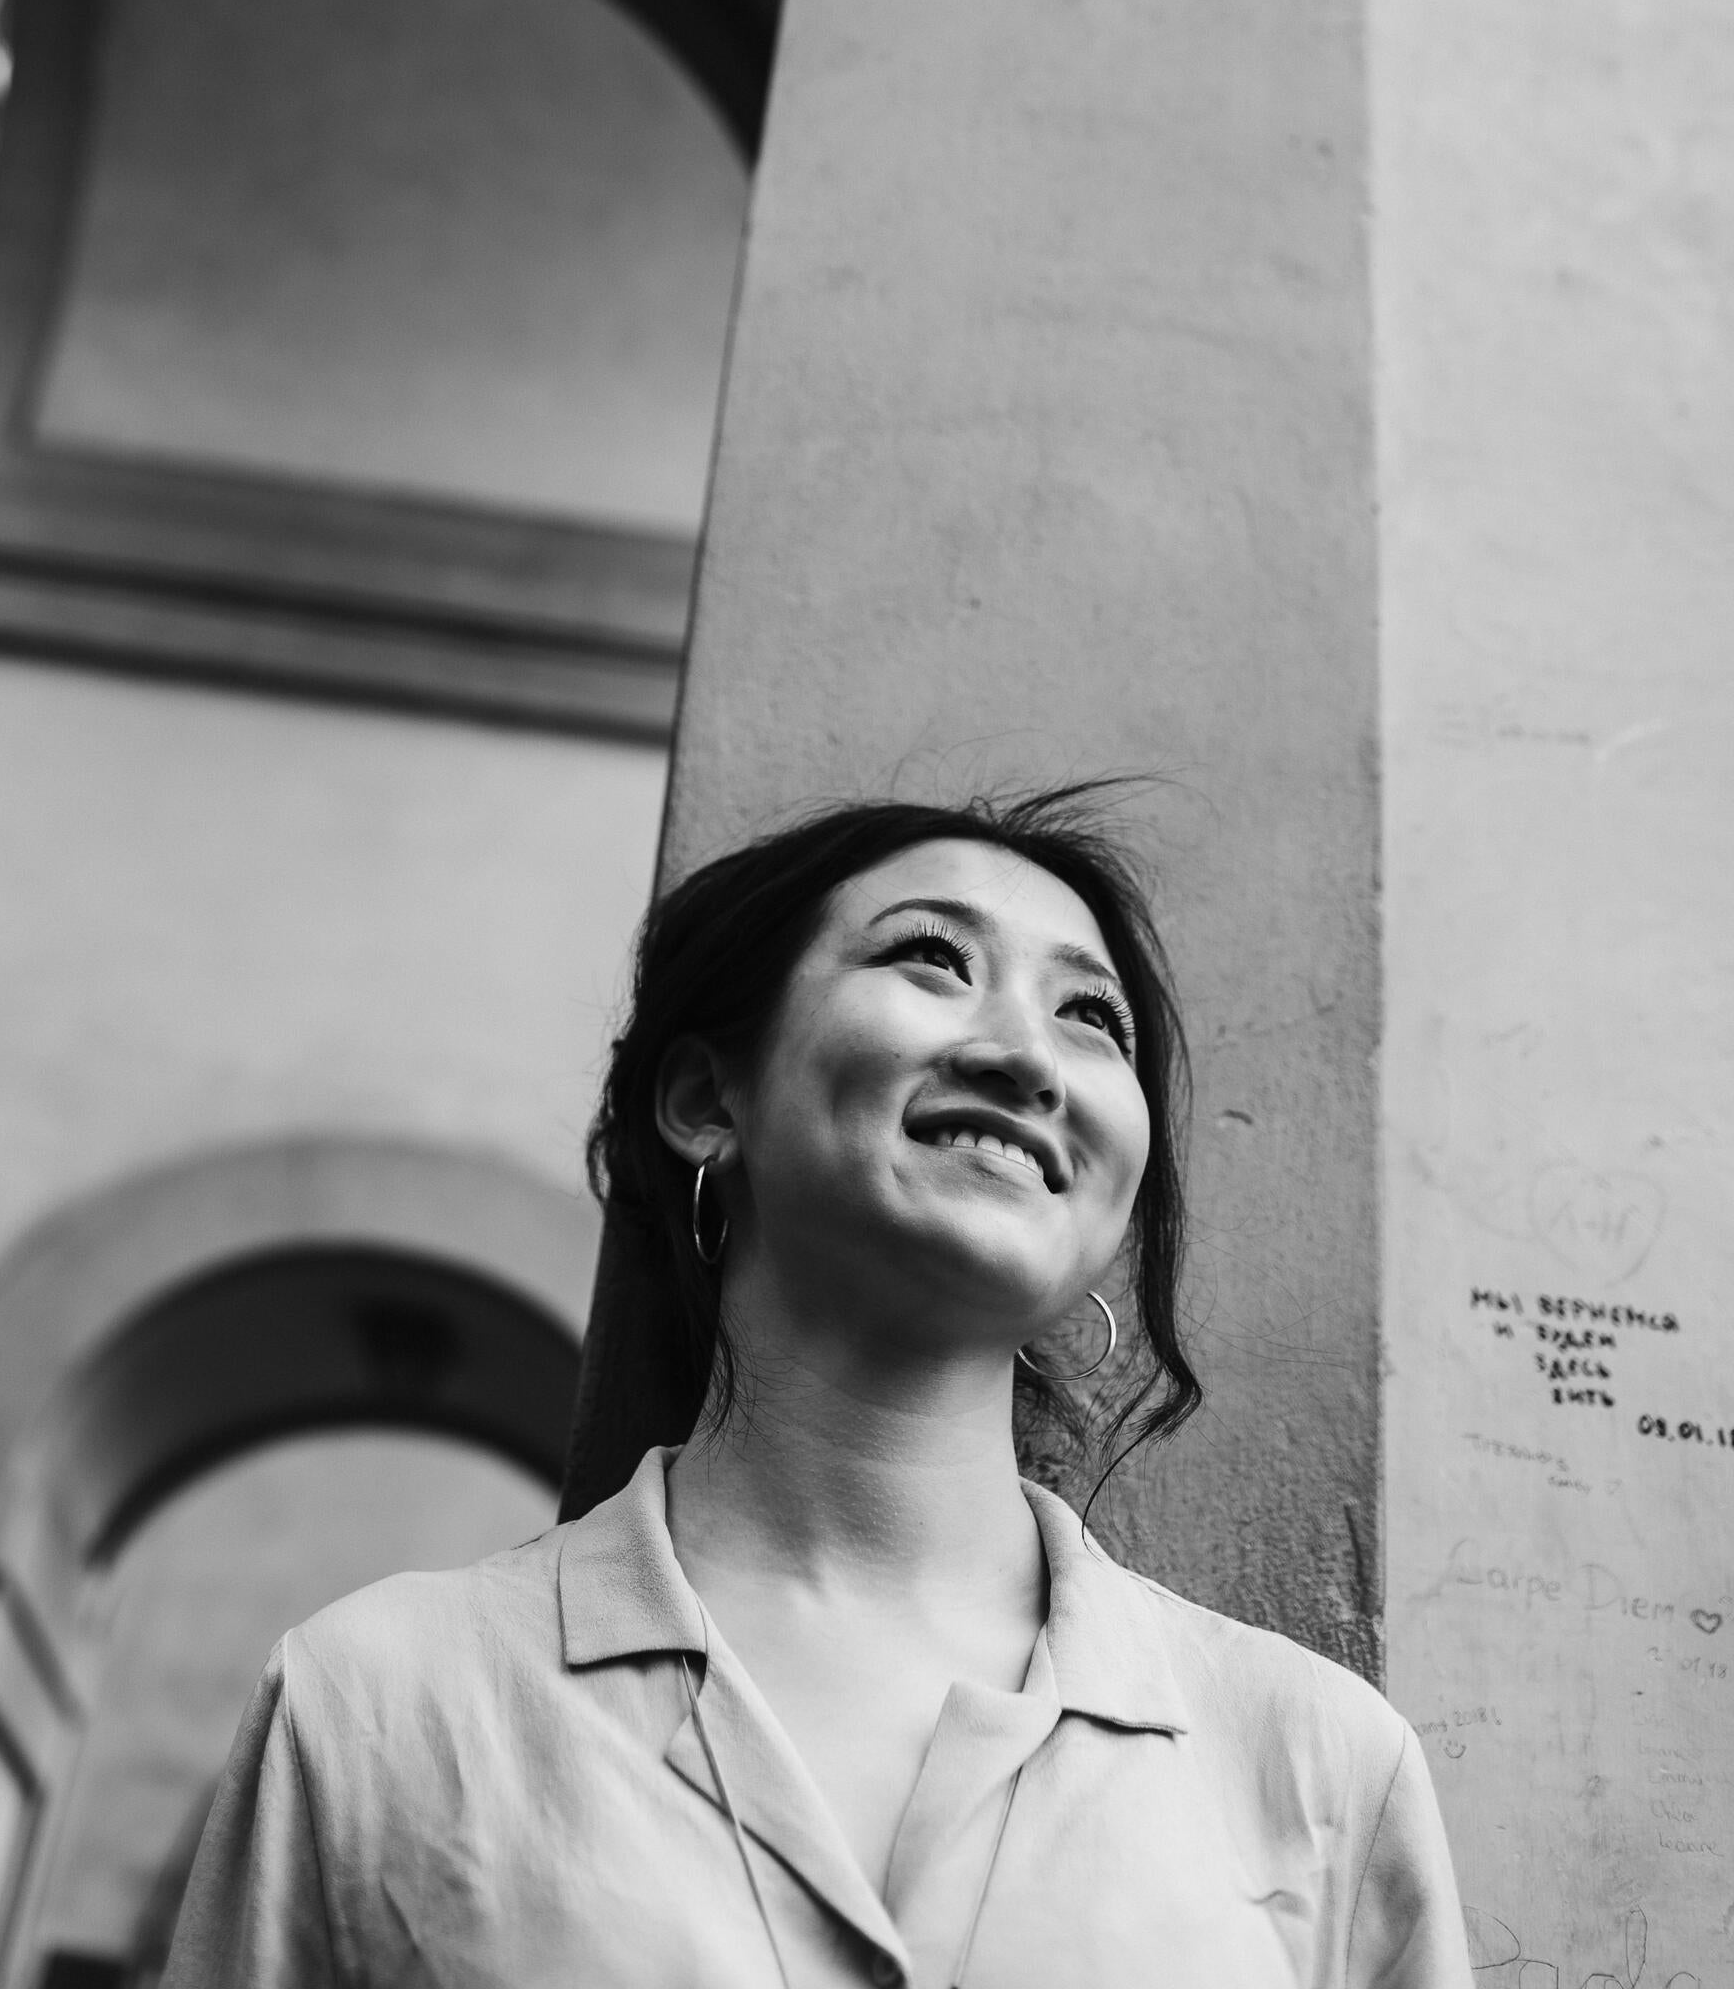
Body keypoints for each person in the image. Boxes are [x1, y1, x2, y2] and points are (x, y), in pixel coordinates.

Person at [166, 791, 1469, 1985]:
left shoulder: (1315, 1763)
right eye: (932, 959)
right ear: (701, 1097)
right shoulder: (382, 1702)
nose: (1028, 1058)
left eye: (1093, 1018)